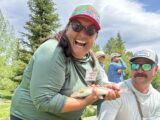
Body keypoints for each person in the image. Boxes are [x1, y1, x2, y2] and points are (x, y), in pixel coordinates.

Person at [10, 5, 121, 120]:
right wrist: (83, 103)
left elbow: (95, 95)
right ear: (67, 28)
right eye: (77, 26)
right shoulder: (52, 50)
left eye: (90, 30)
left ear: (96, 37)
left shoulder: (92, 62)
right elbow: (45, 100)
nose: (82, 34)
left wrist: (105, 92)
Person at [98, 48, 160, 120]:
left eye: (146, 66)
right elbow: (124, 66)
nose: (139, 70)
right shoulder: (115, 95)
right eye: (135, 65)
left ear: (155, 70)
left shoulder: (157, 98)